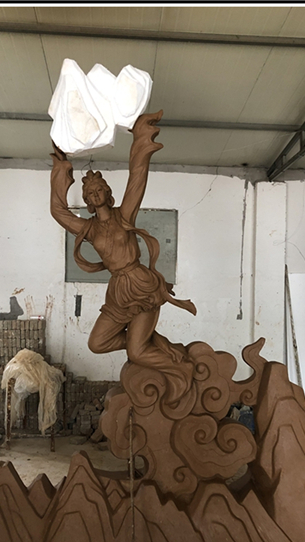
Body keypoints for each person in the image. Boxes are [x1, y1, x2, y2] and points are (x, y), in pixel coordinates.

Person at [50, 110, 196, 396]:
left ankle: (182, 371)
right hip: (118, 291)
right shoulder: (89, 228)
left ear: (108, 193)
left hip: (141, 285)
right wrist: (61, 169)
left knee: (137, 353)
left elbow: (137, 177)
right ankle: (157, 344)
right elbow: (58, 211)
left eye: (99, 190)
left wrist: (140, 139)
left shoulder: (124, 215)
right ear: (88, 201)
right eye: (90, 194)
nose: (95, 195)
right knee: (97, 343)